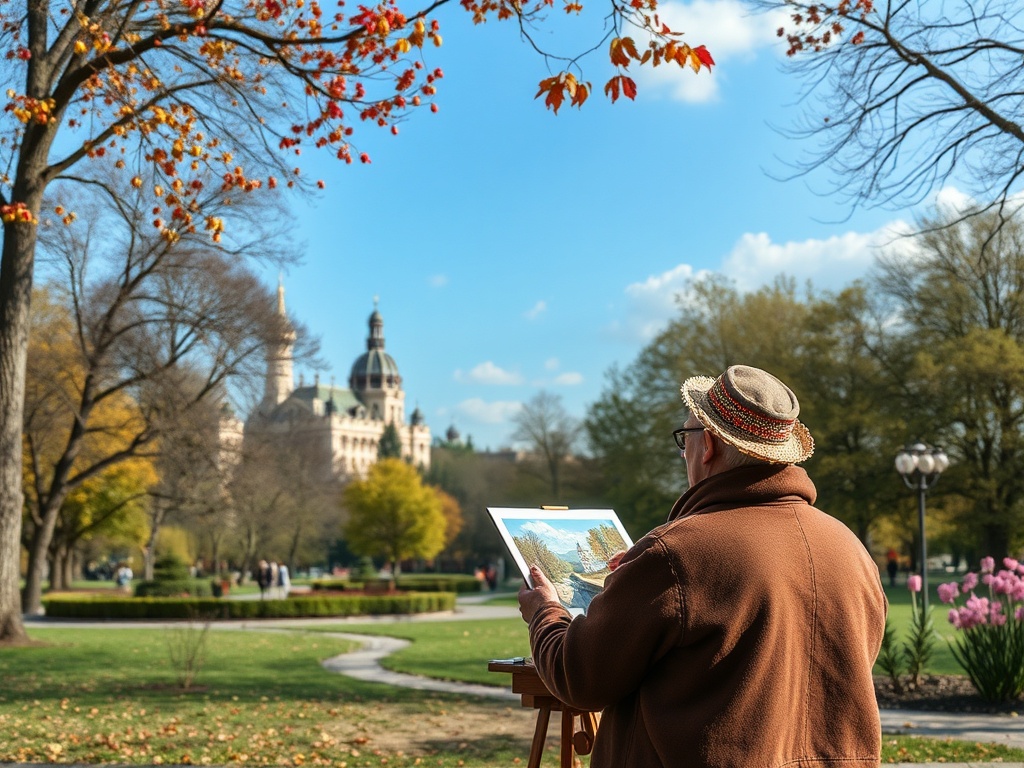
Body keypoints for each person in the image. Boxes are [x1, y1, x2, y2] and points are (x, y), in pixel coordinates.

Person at [518, 365, 887, 768]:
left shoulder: (677, 553)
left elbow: (579, 677)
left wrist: (545, 612)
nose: (684, 452)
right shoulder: (850, 548)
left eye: (686, 436)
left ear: (707, 444)